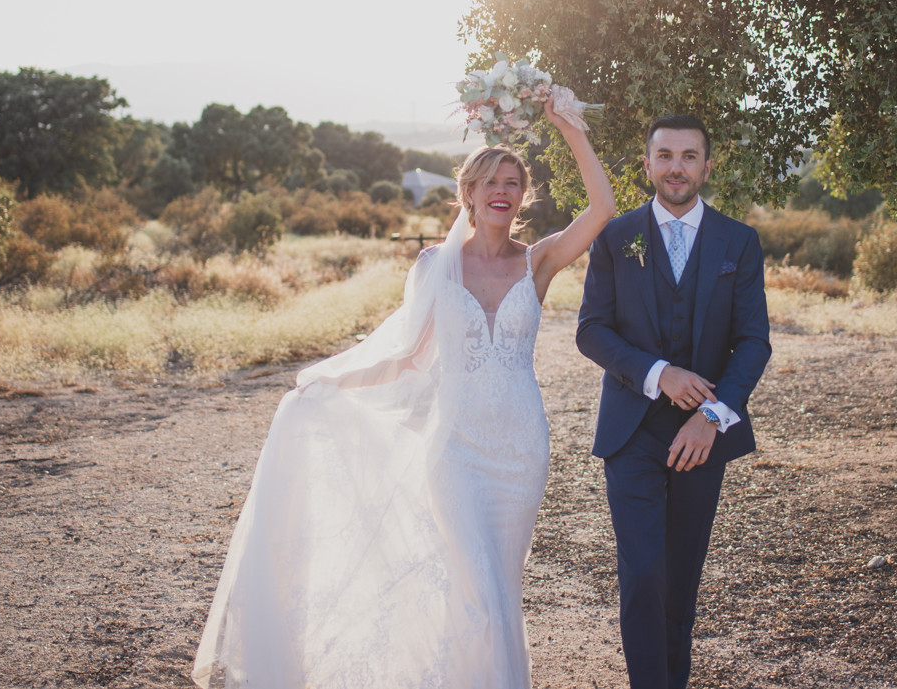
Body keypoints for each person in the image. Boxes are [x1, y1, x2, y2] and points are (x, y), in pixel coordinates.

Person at [193, 96, 613, 689]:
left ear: (523, 196)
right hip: (457, 452)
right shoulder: (435, 265)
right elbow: (406, 357)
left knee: (500, 587)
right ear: (467, 192)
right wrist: (329, 382)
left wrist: (571, 131)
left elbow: (603, 208)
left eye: (513, 183)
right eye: (490, 181)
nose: (502, 191)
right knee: (480, 587)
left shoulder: (537, 263)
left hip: (521, 451)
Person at [576, 113, 771, 689]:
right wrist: (658, 373)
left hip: (701, 438)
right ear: (647, 165)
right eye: (665, 155)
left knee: (681, 576)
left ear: (707, 166)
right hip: (631, 431)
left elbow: (754, 341)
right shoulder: (616, 237)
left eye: (689, 156)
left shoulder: (739, 241)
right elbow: (592, 330)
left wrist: (712, 416)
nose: (677, 167)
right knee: (642, 575)